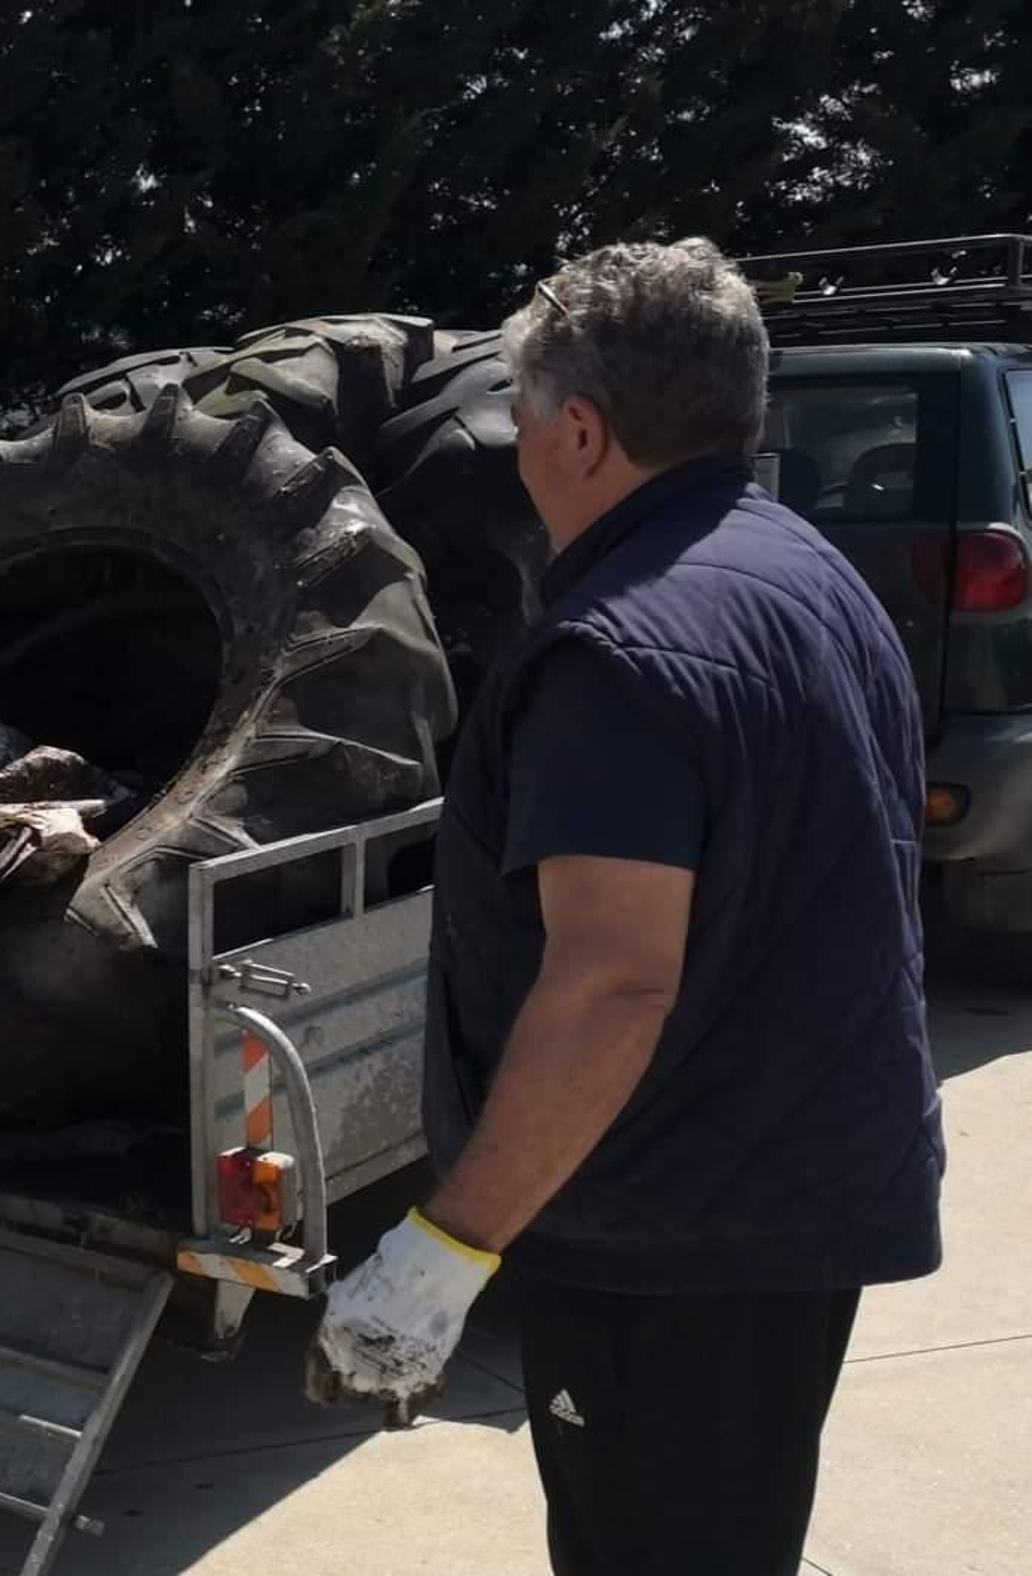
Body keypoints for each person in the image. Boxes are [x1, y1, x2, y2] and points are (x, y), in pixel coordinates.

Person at [305, 238, 944, 1576]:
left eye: (524, 418)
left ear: (583, 432)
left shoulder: (616, 652)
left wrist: (442, 1254)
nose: (518, 450)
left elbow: (611, 984)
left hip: (672, 1235)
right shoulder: (809, 573)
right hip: (792, 1190)